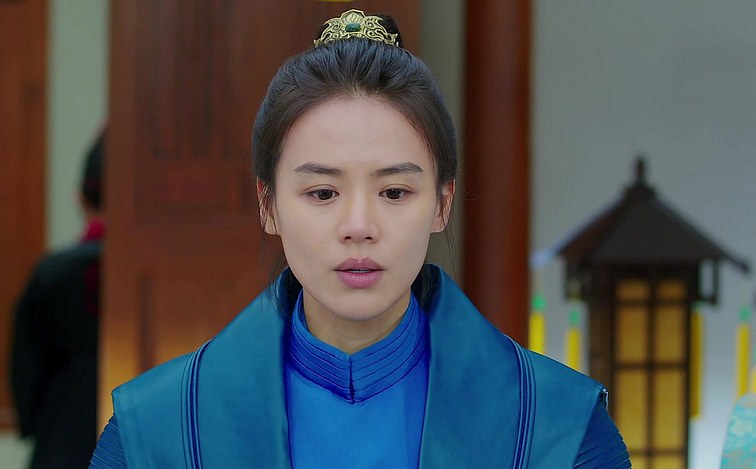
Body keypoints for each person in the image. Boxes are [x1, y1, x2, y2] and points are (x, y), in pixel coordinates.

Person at [89, 10, 630, 468]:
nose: (359, 225)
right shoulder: (156, 432)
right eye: (322, 193)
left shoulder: (558, 427)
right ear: (268, 206)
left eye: (394, 192)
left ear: (441, 204)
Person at [11, 130, 105, 469]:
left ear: (81, 199)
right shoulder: (165, 279)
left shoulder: (53, 274)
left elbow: (26, 370)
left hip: (62, 439)